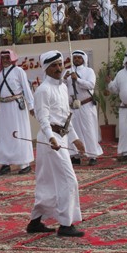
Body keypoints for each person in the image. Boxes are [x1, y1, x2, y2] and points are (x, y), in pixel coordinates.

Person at [26, 50, 85, 237]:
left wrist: (75, 138)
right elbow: (42, 118)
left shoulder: (62, 87)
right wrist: (51, 137)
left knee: (47, 182)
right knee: (69, 180)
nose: (58, 68)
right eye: (54, 65)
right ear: (46, 68)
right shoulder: (43, 90)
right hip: (50, 140)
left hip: (62, 137)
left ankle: (35, 222)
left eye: (60, 64)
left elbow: (66, 117)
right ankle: (66, 224)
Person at [0, 50, 35, 175]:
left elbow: (26, 88)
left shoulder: (19, 71)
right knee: (4, 135)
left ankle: (24, 164)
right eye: (3, 58)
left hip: (16, 107)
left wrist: (31, 106)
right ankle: (5, 163)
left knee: (19, 133)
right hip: (4, 107)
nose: (5, 60)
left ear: (12, 58)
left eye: (7, 58)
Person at [64, 50, 103, 165]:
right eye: (74, 58)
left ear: (83, 59)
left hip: (86, 105)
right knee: (73, 131)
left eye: (78, 58)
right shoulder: (67, 71)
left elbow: (91, 85)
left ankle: (92, 156)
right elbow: (62, 87)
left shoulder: (89, 71)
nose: (76, 60)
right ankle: (75, 155)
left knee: (88, 130)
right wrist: (64, 80)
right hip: (72, 107)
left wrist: (77, 79)